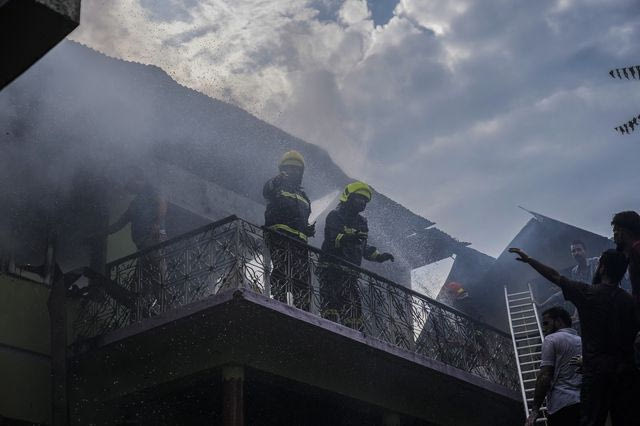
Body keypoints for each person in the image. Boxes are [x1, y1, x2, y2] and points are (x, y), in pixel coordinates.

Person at [510, 247, 639, 426]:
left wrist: (530, 259)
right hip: (625, 377)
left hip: (596, 378)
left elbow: (555, 277)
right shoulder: (630, 302)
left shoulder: (589, 293)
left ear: (601, 268)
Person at [318, 181, 394, 328]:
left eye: (365, 200)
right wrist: (348, 238)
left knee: (354, 314)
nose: (362, 203)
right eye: (359, 198)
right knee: (330, 310)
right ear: (349, 197)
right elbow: (333, 239)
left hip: (350, 275)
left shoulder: (361, 222)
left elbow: (363, 247)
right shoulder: (335, 216)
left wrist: (379, 256)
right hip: (331, 271)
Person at [263, 150, 315, 308]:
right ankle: (279, 302)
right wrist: (277, 180)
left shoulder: (304, 197)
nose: (293, 170)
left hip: (300, 242)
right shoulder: (276, 186)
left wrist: (308, 230)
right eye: (290, 167)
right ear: (282, 169)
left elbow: (300, 218)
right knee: (281, 270)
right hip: (279, 236)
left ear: (301, 172)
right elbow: (266, 190)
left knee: (302, 277)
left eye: (297, 168)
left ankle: (303, 307)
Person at [525, 307, 581, 426]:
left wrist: (535, 411)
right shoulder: (581, 341)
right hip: (585, 406)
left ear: (559, 321)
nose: (544, 327)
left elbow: (545, 376)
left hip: (561, 406)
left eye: (546, 323)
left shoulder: (551, 339)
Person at [107, 169, 168, 250]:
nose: (128, 185)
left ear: (137, 180)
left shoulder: (151, 191)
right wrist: (103, 232)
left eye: (130, 181)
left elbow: (162, 204)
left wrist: (158, 226)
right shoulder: (135, 203)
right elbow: (120, 223)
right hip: (142, 242)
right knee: (150, 260)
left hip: (152, 237)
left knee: (157, 259)